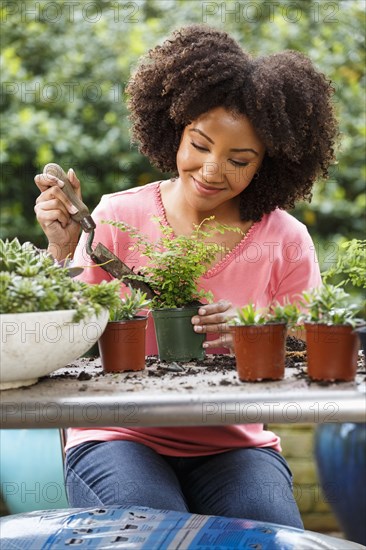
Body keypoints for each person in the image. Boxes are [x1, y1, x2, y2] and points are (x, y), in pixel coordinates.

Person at [34, 25, 337, 528]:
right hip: (119, 436)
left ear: (270, 164)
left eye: (240, 159)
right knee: (154, 531)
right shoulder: (116, 216)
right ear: (173, 128)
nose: (212, 169)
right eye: (199, 144)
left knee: (266, 533)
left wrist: (251, 328)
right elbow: (55, 335)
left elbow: (315, 349)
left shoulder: (285, 240)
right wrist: (63, 251)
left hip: (234, 444)